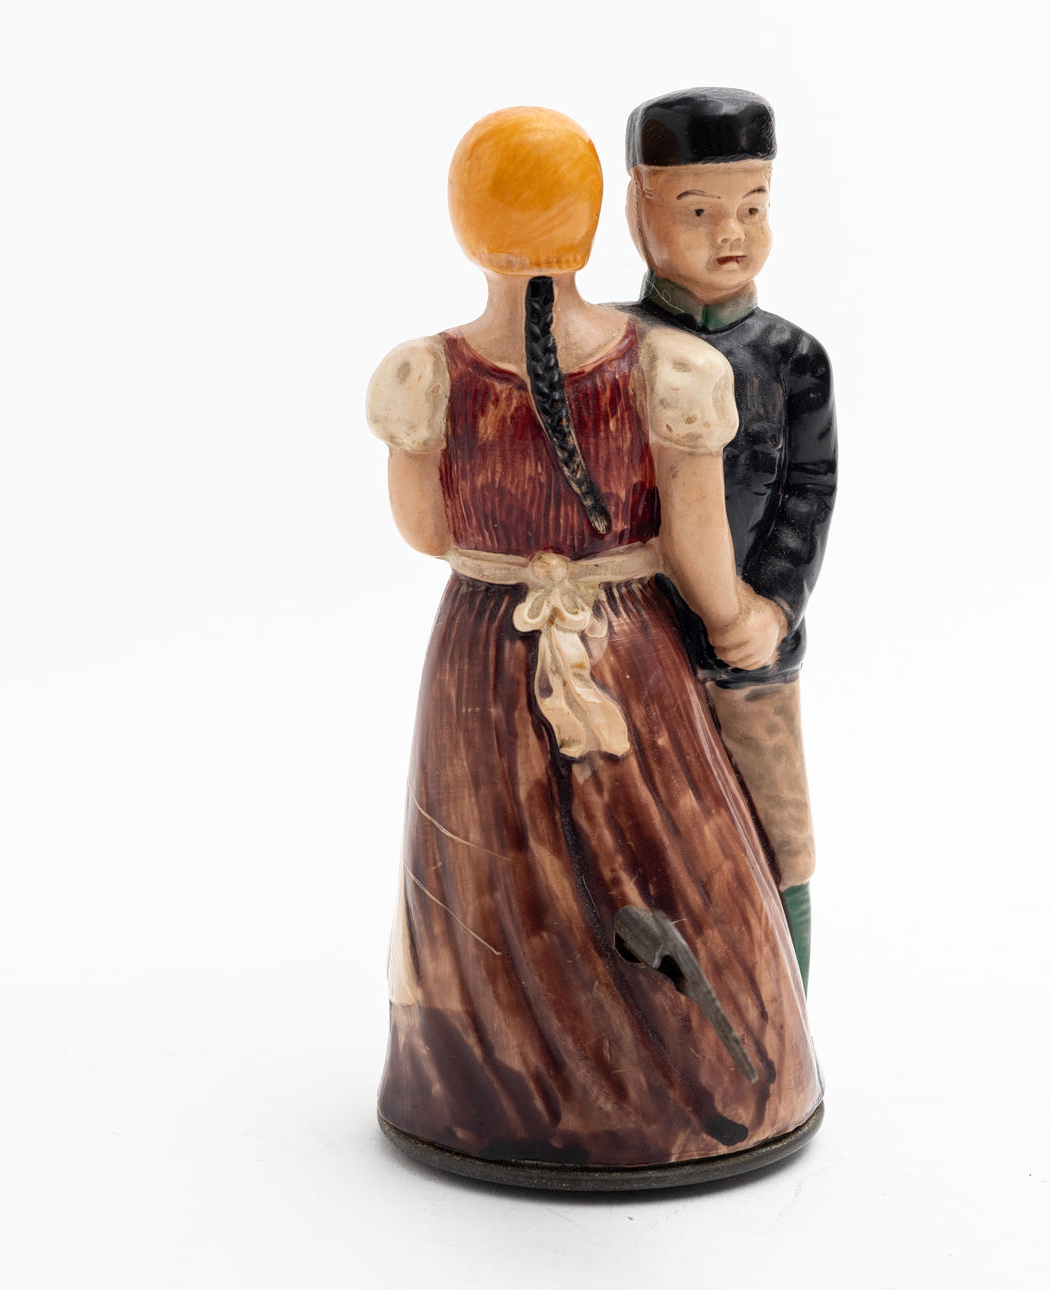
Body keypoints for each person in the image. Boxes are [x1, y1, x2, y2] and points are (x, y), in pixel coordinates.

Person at [366, 107, 821, 1187]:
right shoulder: (667, 368)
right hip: (627, 651)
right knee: (664, 853)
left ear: (467, 227)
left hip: (482, 652)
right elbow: (697, 551)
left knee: (491, 859)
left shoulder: (427, 372)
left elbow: (425, 531)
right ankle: (692, 1092)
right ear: (599, 222)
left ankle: (486, 1088)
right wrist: (736, 620)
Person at [622, 88, 838, 988]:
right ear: (640, 212)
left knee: (778, 831)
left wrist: (772, 607)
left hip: (753, 656)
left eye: (753, 208)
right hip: (633, 645)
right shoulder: (617, 348)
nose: (732, 234)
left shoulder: (794, 358)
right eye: (699, 212)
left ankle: (785, 1016)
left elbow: (810, 492)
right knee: (647, 839)